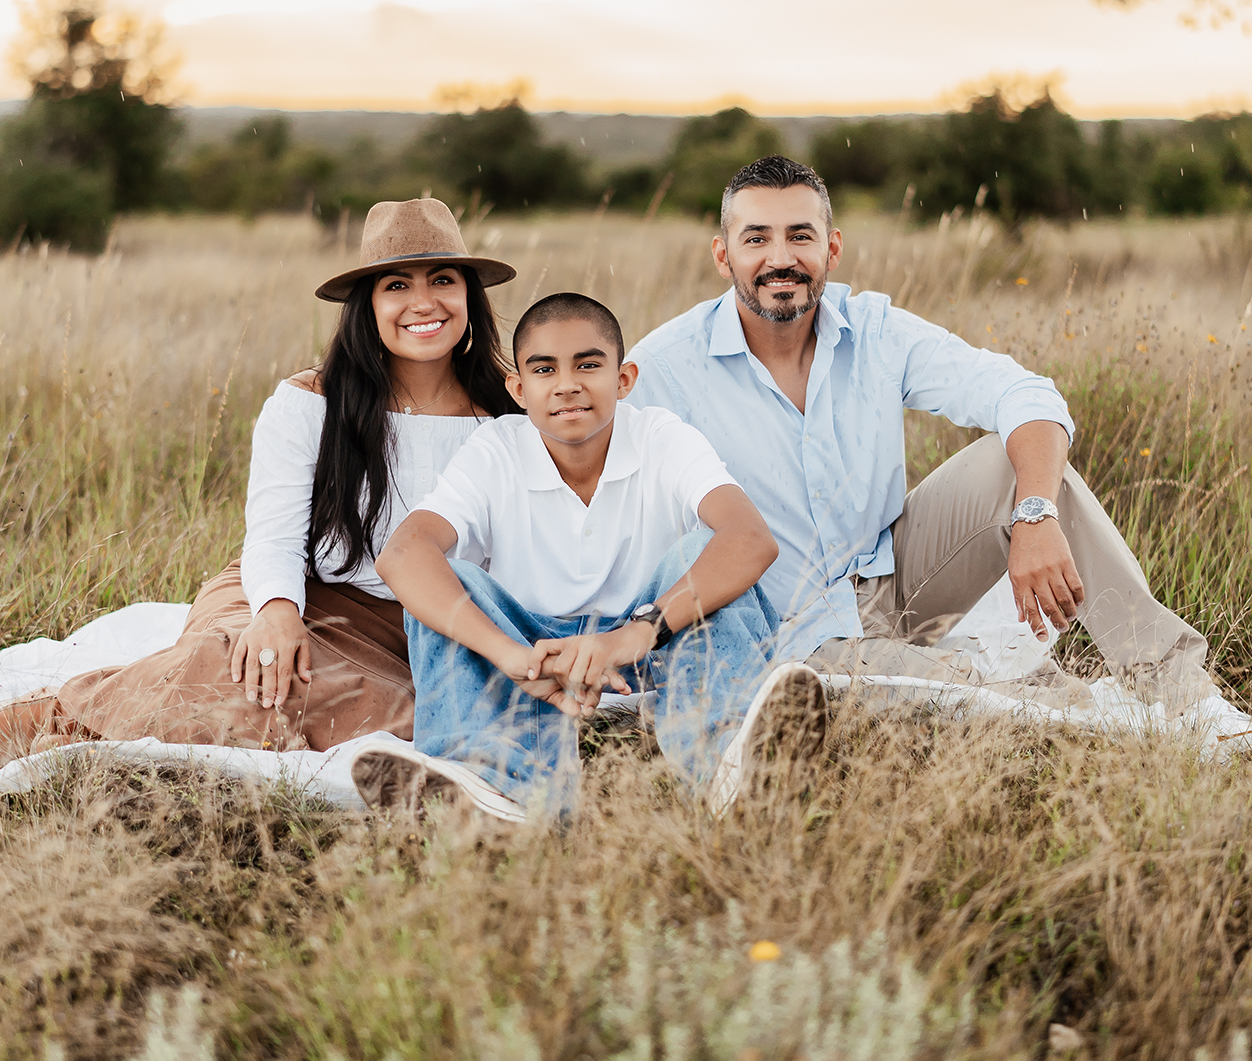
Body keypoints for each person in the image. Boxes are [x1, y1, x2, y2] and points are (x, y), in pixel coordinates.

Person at [627, 154, 1251, 742]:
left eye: (800, 236)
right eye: (756, 238)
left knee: (1022, 468)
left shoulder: (874, 330)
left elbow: (1022, 393)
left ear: (831, 247)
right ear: (723, 255)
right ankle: (1096, 717)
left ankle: (1182, 694)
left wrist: (1034, 514)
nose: (780, 258)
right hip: (789, 629)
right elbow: (580, 466)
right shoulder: (664, 367)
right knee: (994, 701)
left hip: (889, 577)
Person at [0, 199, 516, 757]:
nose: (422, 303)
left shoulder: (511, 410)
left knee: (395, 719)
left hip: (425, 623)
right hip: (297, 591)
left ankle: (96, 725)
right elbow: (274, 536)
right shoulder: (310, 402)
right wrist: (276, 612)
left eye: (443, 279)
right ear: (367, 305)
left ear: (470, 295)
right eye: (396, 285)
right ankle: (54, 720)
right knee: (243, 663)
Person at [350, 292, 828, 822]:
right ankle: (498, 794)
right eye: (544, 369)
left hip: (654, 639)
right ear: (519, 388)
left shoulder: (662, 436)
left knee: (701, 552)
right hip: (533, 649)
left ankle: (733, 767)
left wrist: (634, 634)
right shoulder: (495, 449)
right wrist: (510, 654)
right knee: (449, 579)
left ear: (623, 380)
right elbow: (403, 553)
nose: (567, 384)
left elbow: (749, 538)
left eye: (588, 365)